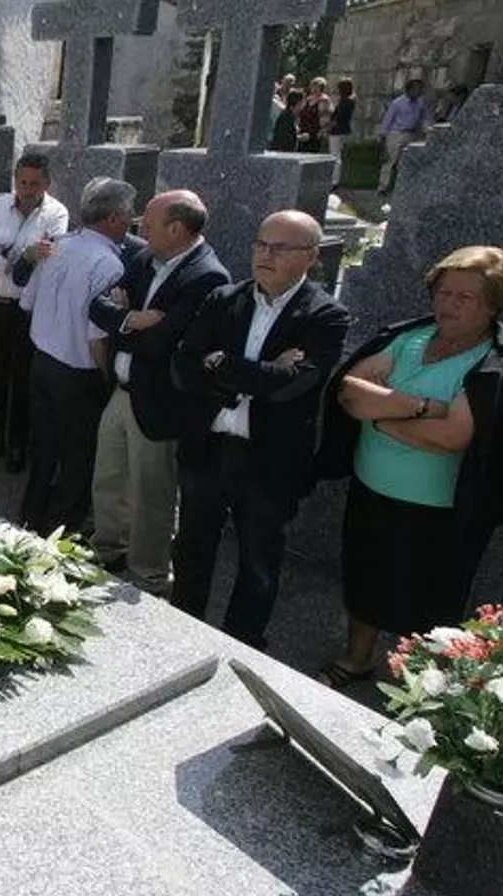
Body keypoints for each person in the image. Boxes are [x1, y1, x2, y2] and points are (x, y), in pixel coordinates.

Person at [315, 246, 503, 686]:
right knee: (364, 579)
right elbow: (349, 392)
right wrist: (425, 407)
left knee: (430, 601)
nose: (448, 304)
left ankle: (422, 686)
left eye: (465, 297)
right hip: (372, 491)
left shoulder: (498, 363)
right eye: (444, 292)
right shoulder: (409, 338)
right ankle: (357, 659)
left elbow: (450, 438)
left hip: (438, 514)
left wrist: (380, 415)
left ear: (493, 305)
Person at [170, 210, 349, 650]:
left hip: (268, 459)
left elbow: (294, 386)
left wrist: (221, 363)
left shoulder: (325, 315)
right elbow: (184, 367)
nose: (265, 255)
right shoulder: (224, 299)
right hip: (209, 448)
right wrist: (260, 372)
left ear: (311, 256)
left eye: (280, 248)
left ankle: (242, 647)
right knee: (192, 548)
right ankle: (180, 635)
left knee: (258, 561)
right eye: (261, 244)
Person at [87, 190, 230, 597]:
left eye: (148, 224)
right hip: (123, 390)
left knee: (152, 492)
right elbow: (96, 305)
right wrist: (135, 319)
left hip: (159, 402)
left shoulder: (207, 277)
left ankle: (147, 573)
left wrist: (123, 321)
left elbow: (162, 343)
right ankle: (108, 549)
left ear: (176, 229)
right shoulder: (146, 257)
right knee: (109, 475)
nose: (139, 229)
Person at [18, 177, 135, 536]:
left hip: (41, 360)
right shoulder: (109, 265)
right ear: (113, 218)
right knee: (79, 456)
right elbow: (97, 337)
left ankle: (30, 517)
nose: (131, 221)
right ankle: (61, 530)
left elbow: (27, 301)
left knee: (43, 448)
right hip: (77, 374)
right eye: (129, 214)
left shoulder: (58, 245)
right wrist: (107, 379)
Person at [0, 153, 69, 473]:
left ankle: (17, 446)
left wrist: (5, 252)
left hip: (29, 312)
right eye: (22, 182)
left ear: (47, 183)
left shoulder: (56, 213)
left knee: (23, 380)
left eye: (34, 183)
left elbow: (49, 259)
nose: (27, 189)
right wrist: (22, 257)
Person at [378, 79, 431, 196]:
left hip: (411, 134)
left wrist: (427, 130)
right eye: (418, 89)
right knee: (390, 161)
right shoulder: (397, 103)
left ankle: (400, 187)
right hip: (396, 133)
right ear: (410, 89)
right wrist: (383, 137)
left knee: (405, 162)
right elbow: (388, 120)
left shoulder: (420, 103)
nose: (420, 92)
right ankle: (383, 187)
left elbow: (424, 118)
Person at [328, 78, 356, 189]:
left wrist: (329, 126)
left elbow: (337, 118)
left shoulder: (344, 102)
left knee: (335, 155)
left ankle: (334, 181)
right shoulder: (350, 101)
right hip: (344, 130)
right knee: (338, 155)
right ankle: (335, 179)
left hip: (337, 130)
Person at [297, 77, 332, 153]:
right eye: (313, 85)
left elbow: (325, 120)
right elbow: (300, 113)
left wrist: (321, 132)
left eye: (317, 86)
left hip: (314, 134)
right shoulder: (308, 99)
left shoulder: (324, 100)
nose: (314, 88)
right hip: (302, 131)